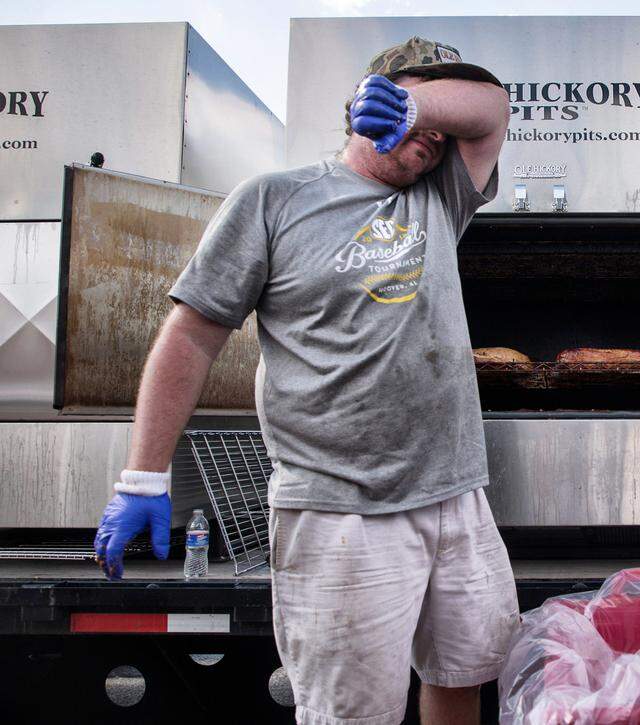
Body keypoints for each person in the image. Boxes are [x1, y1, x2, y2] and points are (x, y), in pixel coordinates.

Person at [93, 36, 519, 725]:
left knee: (461, 675)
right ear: (363, 103)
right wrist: (142, 474)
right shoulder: (274, 199)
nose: (437, 133)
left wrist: (415, 104)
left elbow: (493, 107)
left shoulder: (439, 199)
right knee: (354, 714)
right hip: (340, 514)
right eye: (413, 99)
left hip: (455, 497)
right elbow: (192, 337)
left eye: (442, 115)